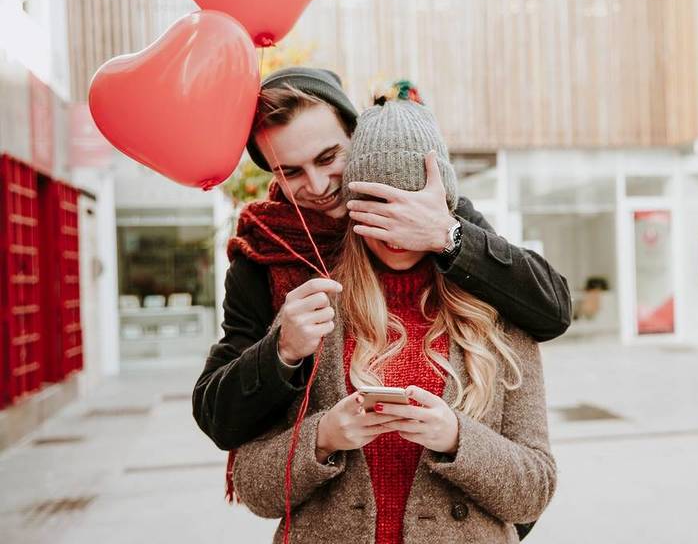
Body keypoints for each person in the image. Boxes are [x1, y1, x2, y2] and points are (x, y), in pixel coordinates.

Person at [192, 68, 567, 540]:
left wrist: (444, 235)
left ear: (358, 136)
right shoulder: (266, 257)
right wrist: (283, 354)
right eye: (291, 171)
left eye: (329, 157)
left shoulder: (442, 216)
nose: (318, 184)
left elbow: (549, 307)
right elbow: (224, 425)